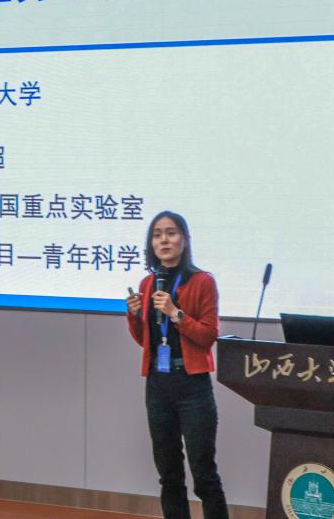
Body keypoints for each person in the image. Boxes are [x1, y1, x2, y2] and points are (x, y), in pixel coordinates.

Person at [126, 210, 229, 519]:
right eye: (157, 235)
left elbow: (208, 336)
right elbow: (146, 341)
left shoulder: (202, 281)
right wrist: (134, 315)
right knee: (169, 474)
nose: (164, 240)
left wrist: (176, 313)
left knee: (204, 473)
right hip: (158, 385)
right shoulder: (147, 284)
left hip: (192, 385)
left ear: (184, 240)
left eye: (171, 233)